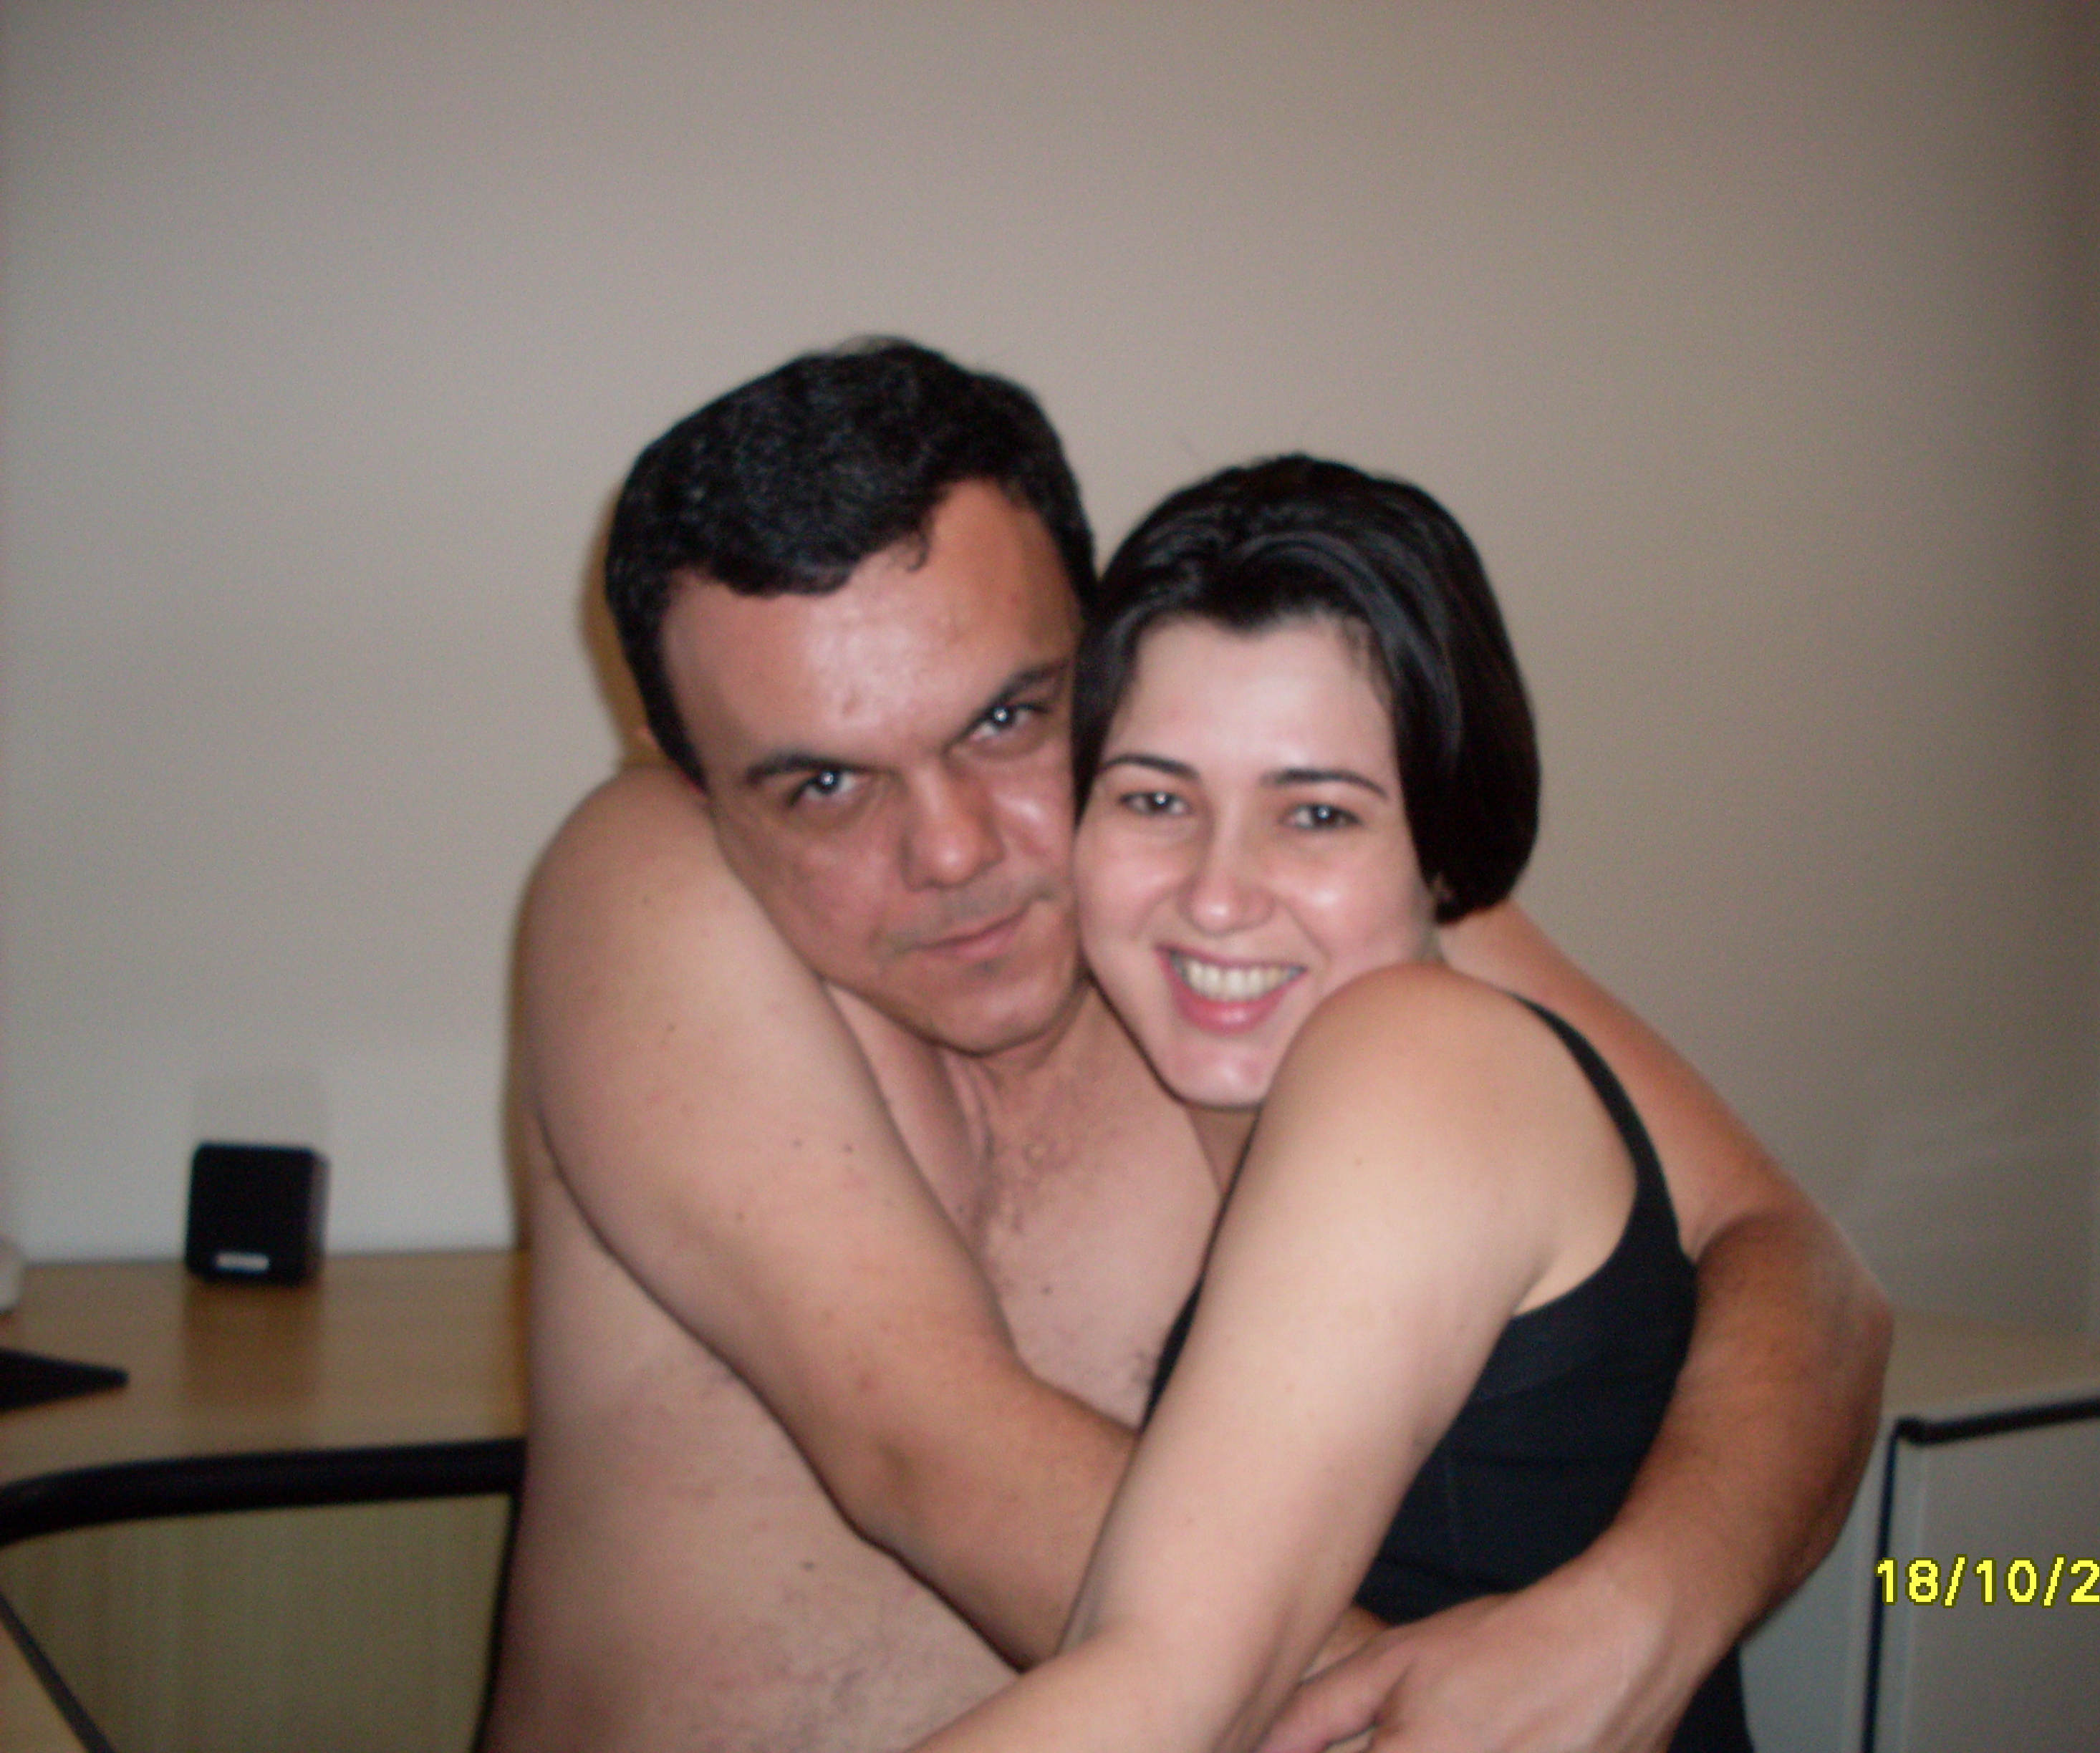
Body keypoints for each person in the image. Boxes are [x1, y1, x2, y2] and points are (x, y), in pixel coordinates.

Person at [482, 339, 1888, 1753]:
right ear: (695, 780)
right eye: (826, 785)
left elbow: (1795, 1265)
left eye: (1009, 719)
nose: (952, 853)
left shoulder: (1286, 912)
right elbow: (922, 1450)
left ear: (1104, 653)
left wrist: (1646, 1613)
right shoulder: (653, 886)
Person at [907, 454, 1752, 1753]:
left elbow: (1170, 1684)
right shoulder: (1318, 1098)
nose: (1217, 893)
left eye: (1315, 815)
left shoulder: (1417, 1059)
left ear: (1444, 850)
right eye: (1155, 799)